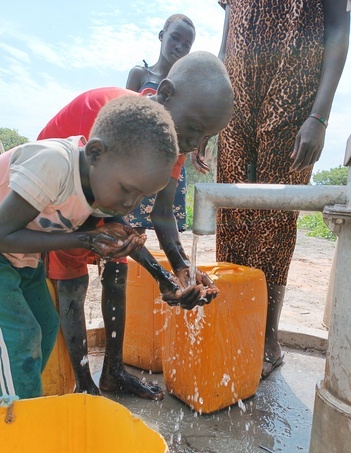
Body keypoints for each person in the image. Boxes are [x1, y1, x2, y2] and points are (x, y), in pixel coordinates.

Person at [38, 51, 234, 399]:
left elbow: (162, 212)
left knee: (117, 268)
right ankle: (85, 387)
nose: (194, 143)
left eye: (206, 137)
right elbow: (101, 212)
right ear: (167, 92)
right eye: (193, 129)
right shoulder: (116, 118)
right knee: (73, 281)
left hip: (100, 199)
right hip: (56, 196)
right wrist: (163, 279)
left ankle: (113, 372)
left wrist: (182, 268)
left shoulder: (174, 140)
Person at [0, 95, 179, 400]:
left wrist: (111, 242)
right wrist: (85, 240)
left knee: (45, 324)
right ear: (95, 152)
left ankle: (19, 397)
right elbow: (3, 233)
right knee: (22, 335)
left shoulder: (98, 187)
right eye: (126, 190)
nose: (128, 204)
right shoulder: (53, 164)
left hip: (22, 258)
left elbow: (81, 224)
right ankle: (16, 420)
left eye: (139, 198)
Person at [216, 0, 350, 378]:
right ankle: (232, 326)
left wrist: (319, 116)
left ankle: (268, 340)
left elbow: (338, 32)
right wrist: (211, 113)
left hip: (294, 90)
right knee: (231, 214)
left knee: (274, 221)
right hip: (235, 99)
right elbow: (225, 46)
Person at [125, 13, 196, 234]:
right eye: (175, 38)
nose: (180, 47)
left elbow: (191, 127)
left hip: (171, 167)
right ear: (162, 35)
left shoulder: (185, 87)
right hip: (137, 165)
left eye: (187, 44)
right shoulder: (140, 75)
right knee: (131, 231)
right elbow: (122, 118)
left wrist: (197, 150)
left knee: (167, 225)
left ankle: (177, 268)